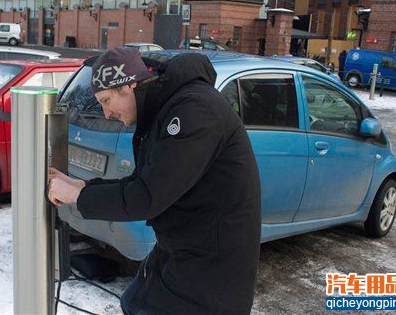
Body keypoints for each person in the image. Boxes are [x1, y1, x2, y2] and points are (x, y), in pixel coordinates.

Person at [48, 47, 261, 314]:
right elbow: (141, 181)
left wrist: (79, 197)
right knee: (132, 303)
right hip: (179, 255)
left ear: (129, 86)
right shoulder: (163, 111)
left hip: (211, 275)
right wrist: (84, 187)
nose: (106, 114)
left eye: (105, 100)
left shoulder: (195, 111)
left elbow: (147, 197)